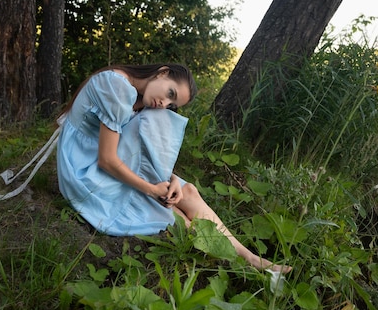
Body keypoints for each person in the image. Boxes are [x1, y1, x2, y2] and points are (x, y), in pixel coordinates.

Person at [56, 63, 291, 273]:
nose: (164, 104)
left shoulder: (135, 98)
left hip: (102, 163)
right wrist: (151, 189)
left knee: (186, 192)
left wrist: (172, 178)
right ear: (162, 72)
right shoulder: (117, 86)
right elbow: (106, 159)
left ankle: (249, 257)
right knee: (173, 214)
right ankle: (237, 263)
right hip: (84, 173)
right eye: (170, 93)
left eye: (171, 103)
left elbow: (131, 151)